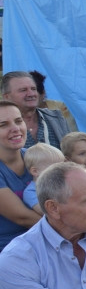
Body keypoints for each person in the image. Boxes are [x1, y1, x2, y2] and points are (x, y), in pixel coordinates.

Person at [0, 101, 39, 252]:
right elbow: (23, 218)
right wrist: (71, 228)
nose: (15, 129)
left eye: (18, 121)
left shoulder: (37, 156)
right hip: (8, 251)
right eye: (3, 125)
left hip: (42, 242)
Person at [1, 71, 72, 148]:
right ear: (7, 97)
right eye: (23, 90)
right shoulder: (2, 125)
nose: (31, 94)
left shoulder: (56, 118)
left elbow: (71, 152)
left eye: (33, 89)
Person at [20, 143, 65, 213]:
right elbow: (46, 212)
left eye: (62, 166)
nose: (61, 171)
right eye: (55, 168)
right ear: (35, 171)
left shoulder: (62, 183)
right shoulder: (31, 192)